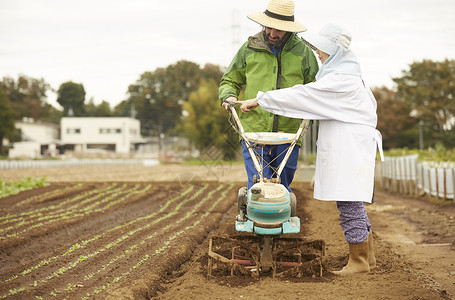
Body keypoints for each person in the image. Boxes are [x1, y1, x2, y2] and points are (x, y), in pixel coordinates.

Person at [238, 23, 384, 275]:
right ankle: (367, 258)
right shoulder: (348, 77)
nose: (317, 52)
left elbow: (302, 95)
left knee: (349, 202)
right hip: (351, 146)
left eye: (321, 49)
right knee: (352, 201)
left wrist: (260, 99)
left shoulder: (340, 81)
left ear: (334, 51)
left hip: (348, 148)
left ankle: (359, 262)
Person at [219, 0, 319, 196]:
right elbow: (230, 80)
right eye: (269, 27)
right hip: (254, 130)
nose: (272, 33)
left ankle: (281, 217)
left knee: (283, 183)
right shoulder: (249, 48)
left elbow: (315, 88)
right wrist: (229, 95)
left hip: (289, 131)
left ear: (289, 29)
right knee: (258, 184)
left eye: (279, 30)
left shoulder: (303, 53)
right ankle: (256, 221)